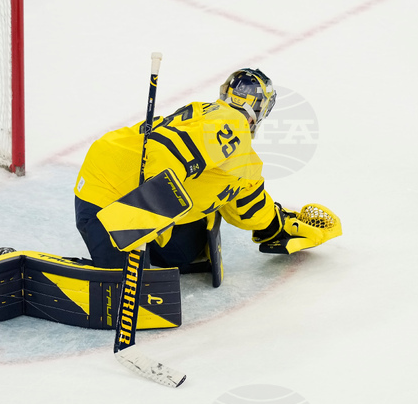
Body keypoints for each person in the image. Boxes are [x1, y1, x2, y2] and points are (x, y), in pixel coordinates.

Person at [74, 67, 338, 279]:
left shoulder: (218, 131)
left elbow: (247, 206)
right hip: (111, 200)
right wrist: (150, 206)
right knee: (132, 271)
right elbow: (168, 153)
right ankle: (117, 260)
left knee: (185, 252)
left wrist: (277, 226)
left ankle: (131, 248)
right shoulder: (232, 123)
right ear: (261, 110)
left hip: (99, 177)